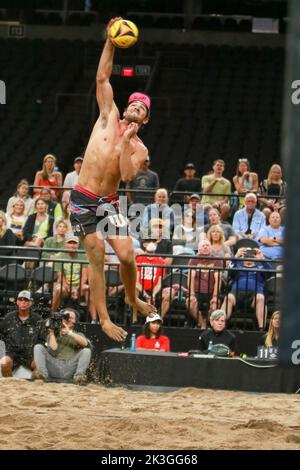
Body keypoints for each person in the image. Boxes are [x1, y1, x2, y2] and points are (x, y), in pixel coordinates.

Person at [69, 17, 156, 341]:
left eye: (140, 108)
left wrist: (125, 142)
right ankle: (104, 320)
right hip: (82, 199)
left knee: (127, 256)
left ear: (145, 120)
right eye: (132, 103)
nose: (134, 106)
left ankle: (132, 298)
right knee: (96, 257)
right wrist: (109, 39)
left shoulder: (138, 147)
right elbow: (102, 76)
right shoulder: (108, 116)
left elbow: (130, 176)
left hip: (107, 203)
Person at [33, 308, 91, 384]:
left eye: (71, 318)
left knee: (86, 351)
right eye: (66, 317)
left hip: (70, 367)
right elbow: (54, 350)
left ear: (75, 321)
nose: (68, 319)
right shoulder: (53, 334)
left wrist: (69, 333)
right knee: (38, 347)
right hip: (54, 366)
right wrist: (51, 332)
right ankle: (41, 374)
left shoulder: (78, 334)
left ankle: (79, 377)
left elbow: (85, 344)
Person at [221, 247, 271, 329]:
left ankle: (261, 329)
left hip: (255, 295)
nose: (248, 257)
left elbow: (270, 273)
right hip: (236, 294)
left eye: (251, 254)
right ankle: (221, 325)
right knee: (228, 298)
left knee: (261, 298)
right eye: (246, 254)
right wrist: (236, 255)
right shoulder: (237, 266)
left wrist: (262, 258)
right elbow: (229, 271)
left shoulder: (260, 268)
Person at [0, 290, 45, 377]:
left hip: (30, 354)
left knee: (38, 366)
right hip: (12, 353)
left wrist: (36, 354)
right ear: (17, 302)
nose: (23, 302)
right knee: (5, 363)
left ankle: (33, 388)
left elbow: (42, 340)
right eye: (20, 300)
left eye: (26, 300)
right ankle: (9, 384)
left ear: (30, 303)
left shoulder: (38, 319)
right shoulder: (9, 318)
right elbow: (1, 336)